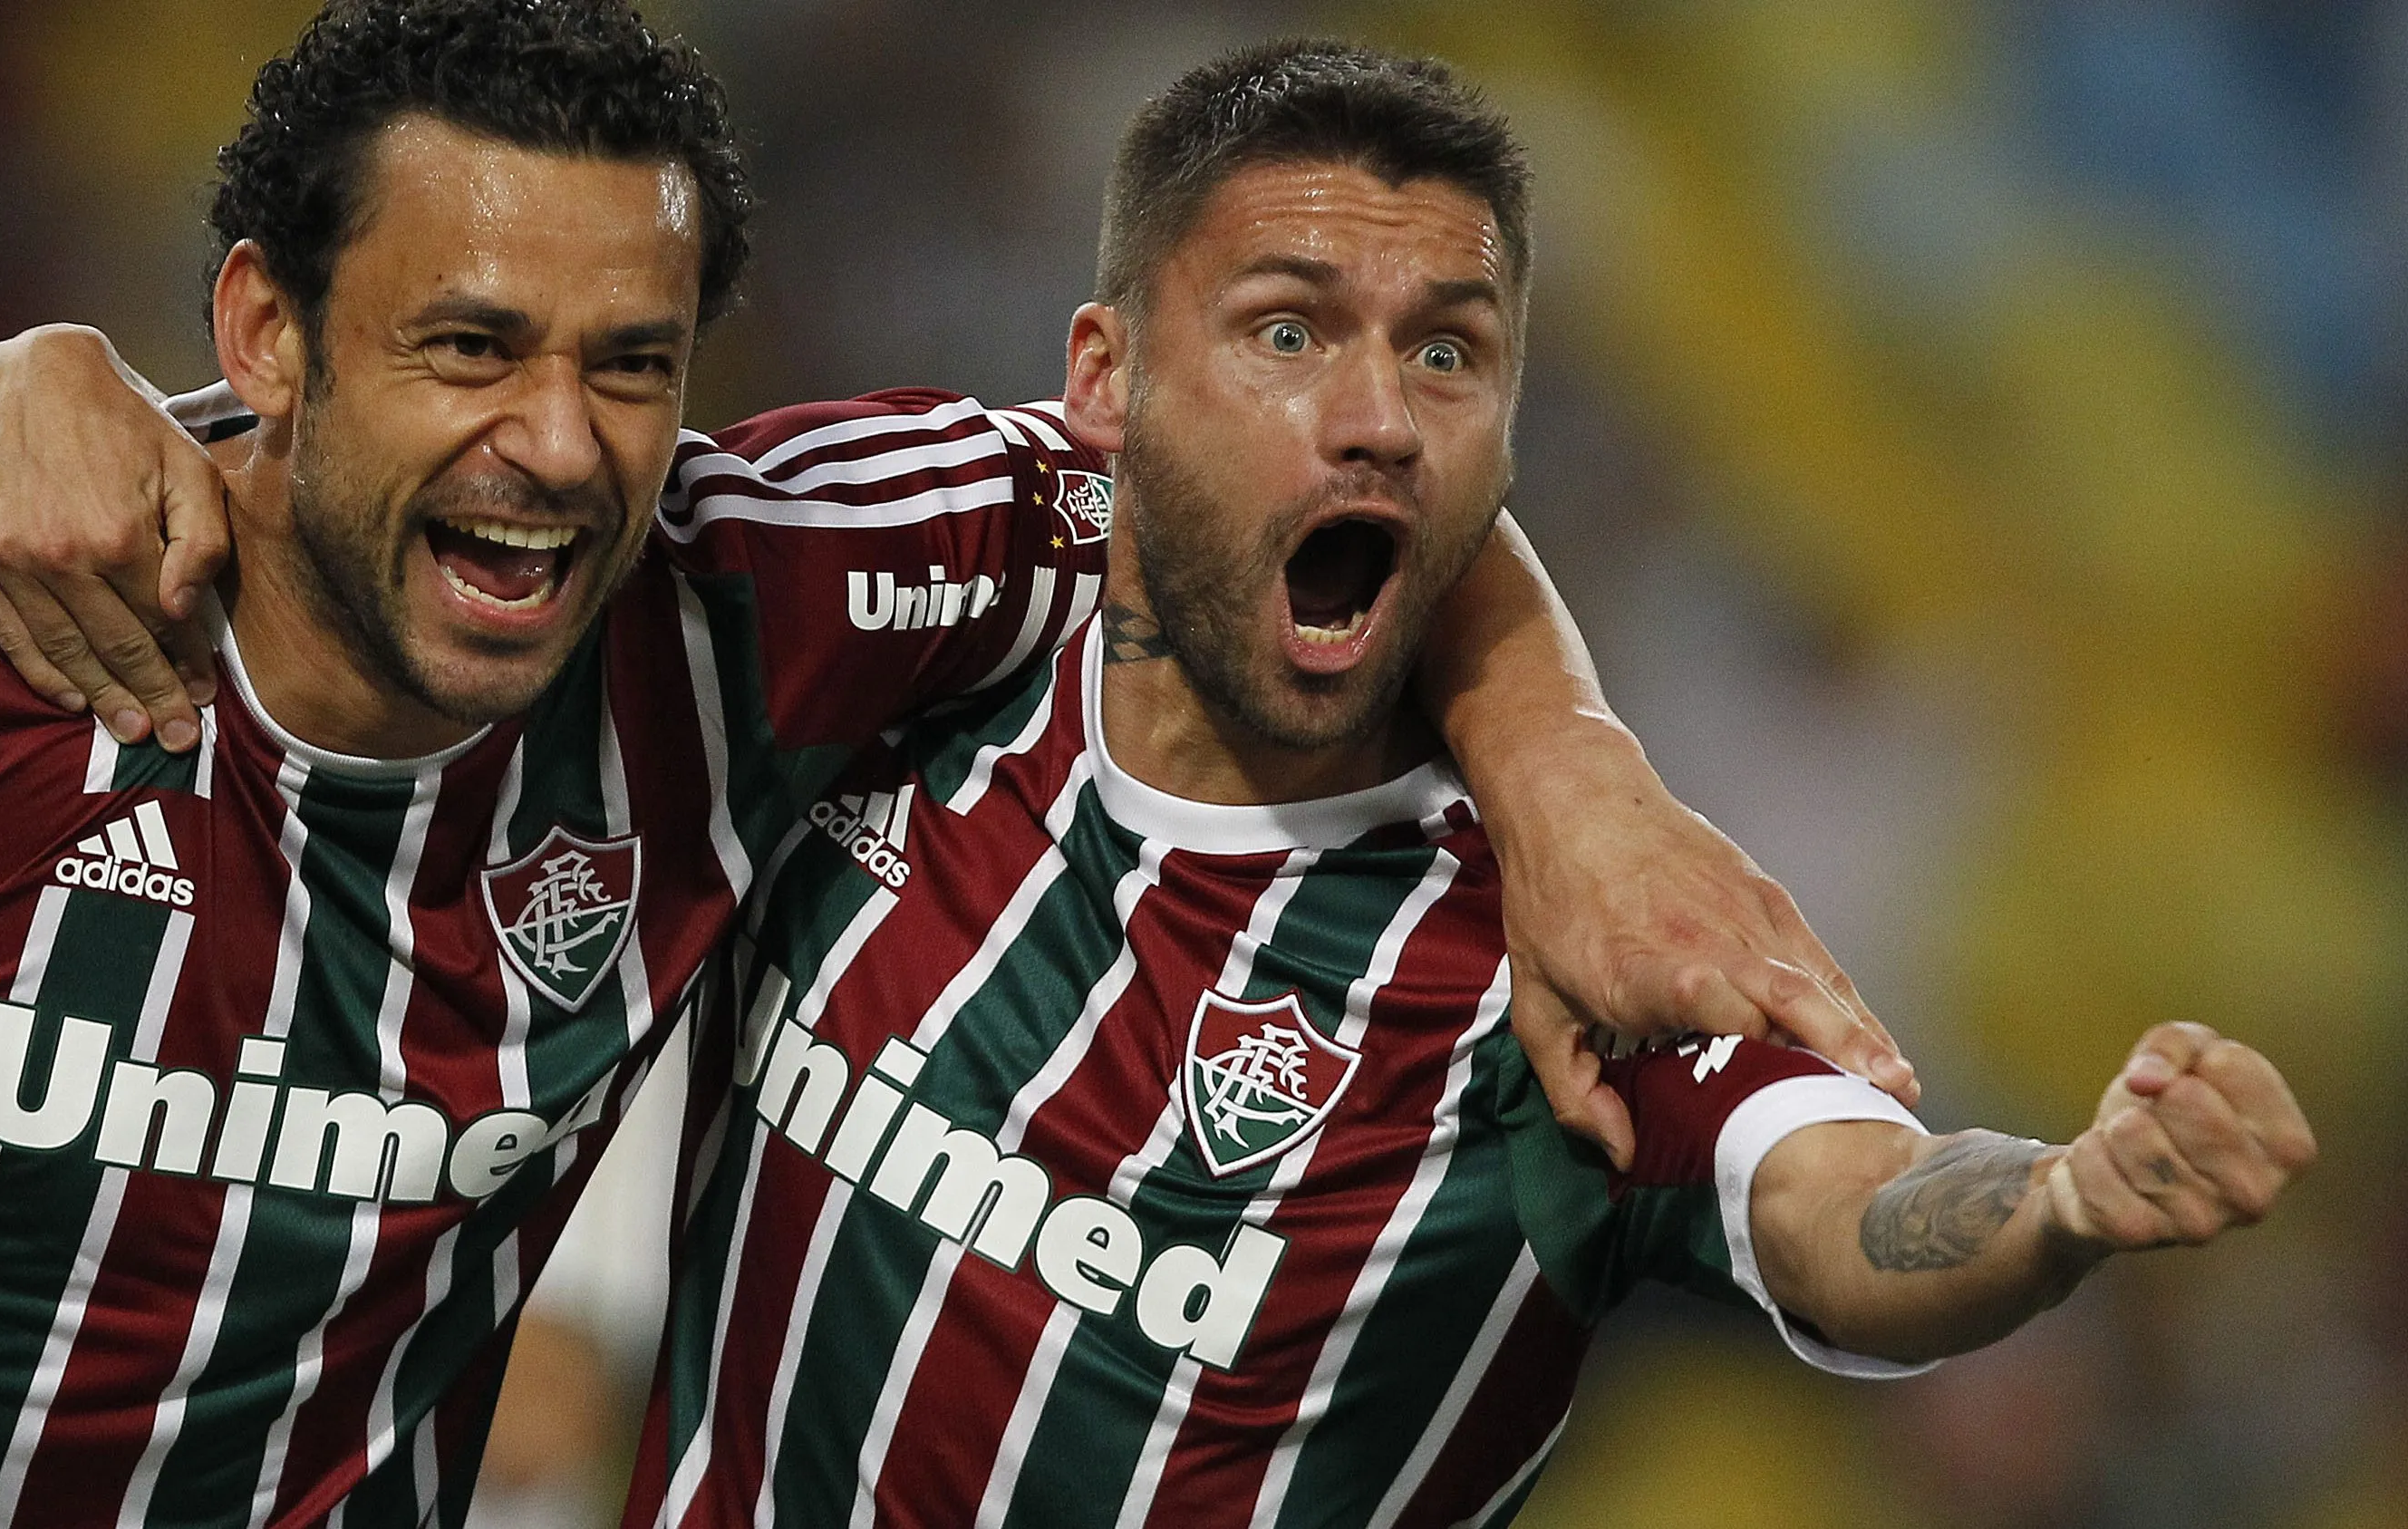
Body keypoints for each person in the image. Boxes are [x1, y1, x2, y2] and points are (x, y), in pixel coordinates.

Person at [0, 5, 1897, 1527]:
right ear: (262, 331)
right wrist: (39, 369)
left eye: (628, 365)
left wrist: (1570, 771)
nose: (556, 447)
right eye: (468, 347)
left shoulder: (751, 608)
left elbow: (1280, 481)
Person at [614, 43, 2316, 1526]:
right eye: (1289, 330)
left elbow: (1843, 1208)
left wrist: (2056, 1206)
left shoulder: (1560, 945)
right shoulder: (911, 661)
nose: (1379, 417)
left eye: (1448, 353)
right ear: (1107, 376)